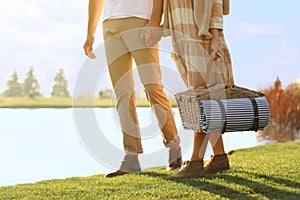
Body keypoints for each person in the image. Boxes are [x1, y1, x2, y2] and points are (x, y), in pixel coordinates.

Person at [83, 0, 182, 178]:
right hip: (110, 24)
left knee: (152, 87)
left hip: (141, 21)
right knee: (122, 92)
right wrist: (90, 33)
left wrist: (154, 22)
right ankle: (131, 157)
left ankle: (174, 148)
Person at [143, 0, 234, 178]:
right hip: (182, 38)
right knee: (202, 95)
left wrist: (215, 38)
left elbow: (214, 3)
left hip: (202, 37)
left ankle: (195, 162)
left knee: (201, 98)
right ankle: (220, 156)